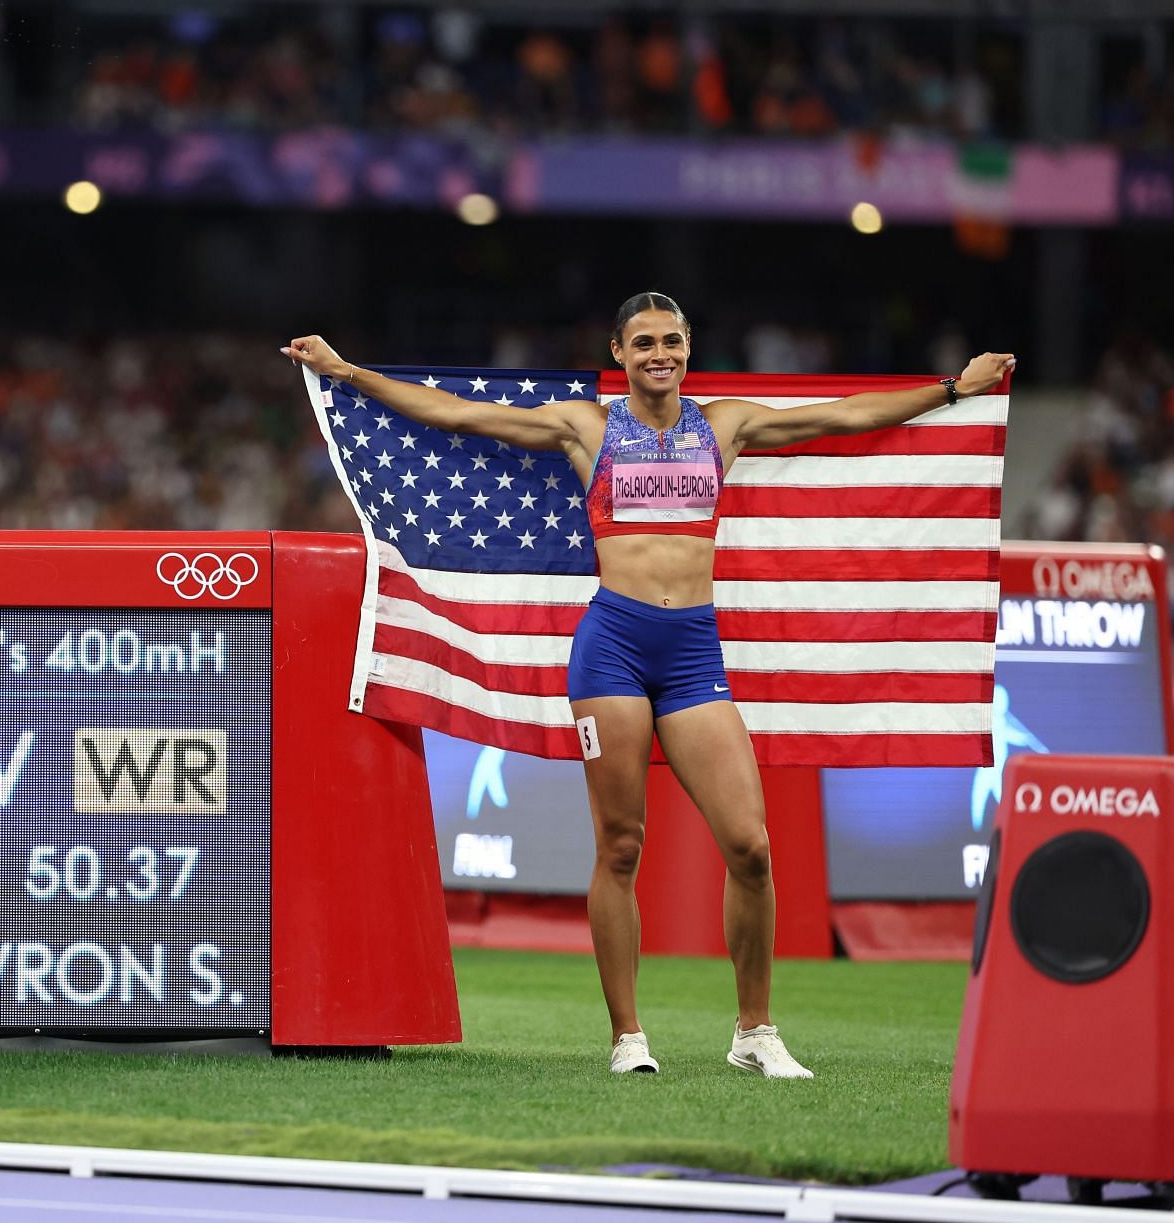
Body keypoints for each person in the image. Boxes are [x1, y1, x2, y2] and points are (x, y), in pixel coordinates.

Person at [283, 292, 1013, 1078]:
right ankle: (628, 1035)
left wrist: (953, 390)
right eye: (643, 343)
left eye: (671, 340)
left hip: (694, 652)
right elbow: (457, 415)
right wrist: (347, 371)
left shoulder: (724, 425)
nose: (658, 353)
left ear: (687, 347)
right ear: (620, 353)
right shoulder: (586, 426)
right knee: (621, 845)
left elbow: (843, 416)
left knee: (752, 847)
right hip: (614, 650)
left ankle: (754, 1030)